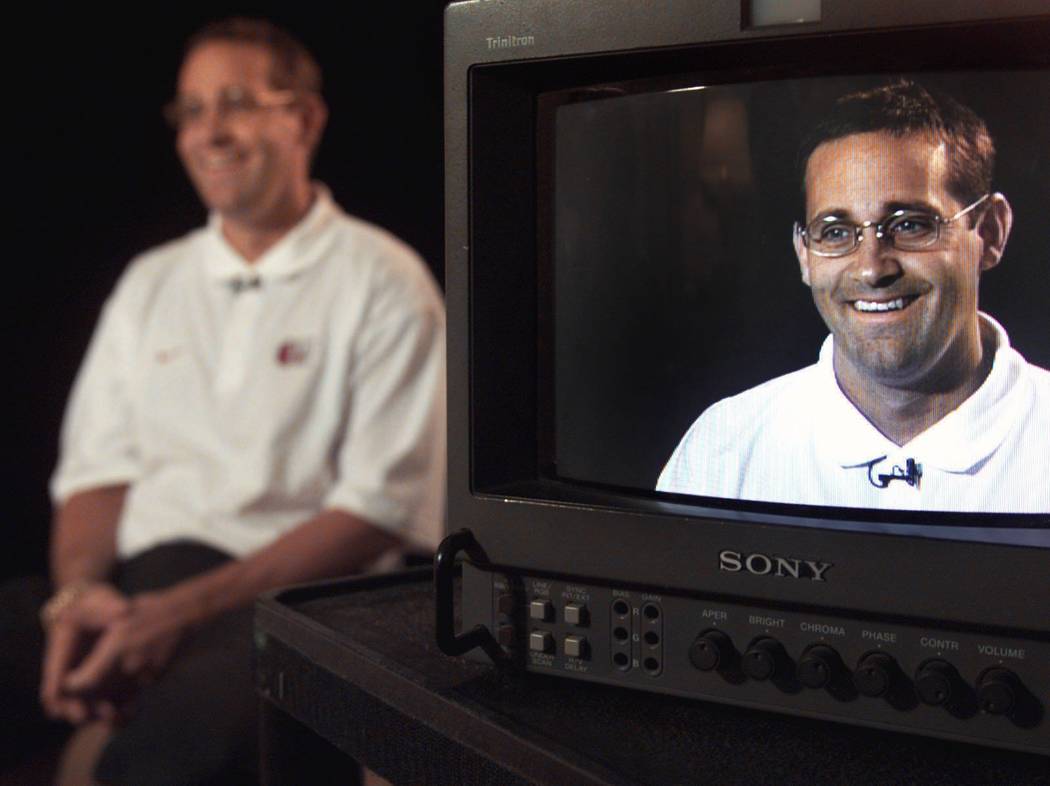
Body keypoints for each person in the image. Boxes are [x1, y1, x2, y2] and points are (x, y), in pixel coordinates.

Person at [0, 17, 445, 785]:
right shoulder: (151, 282)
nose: (211, 132)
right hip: (133, 588)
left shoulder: (384, 280)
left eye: (236, 102)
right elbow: (94, 476)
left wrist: (179, 615)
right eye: (192, 109)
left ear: (304, 118)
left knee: (185, 747)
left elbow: (376, 508)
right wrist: (80, 597)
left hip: (286, 604)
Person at [657, 80, 1049, 523]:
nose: (871, 269)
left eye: (910, 225)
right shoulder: (722, 449)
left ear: (991, 233)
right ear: (804, 255)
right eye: (836, 233)